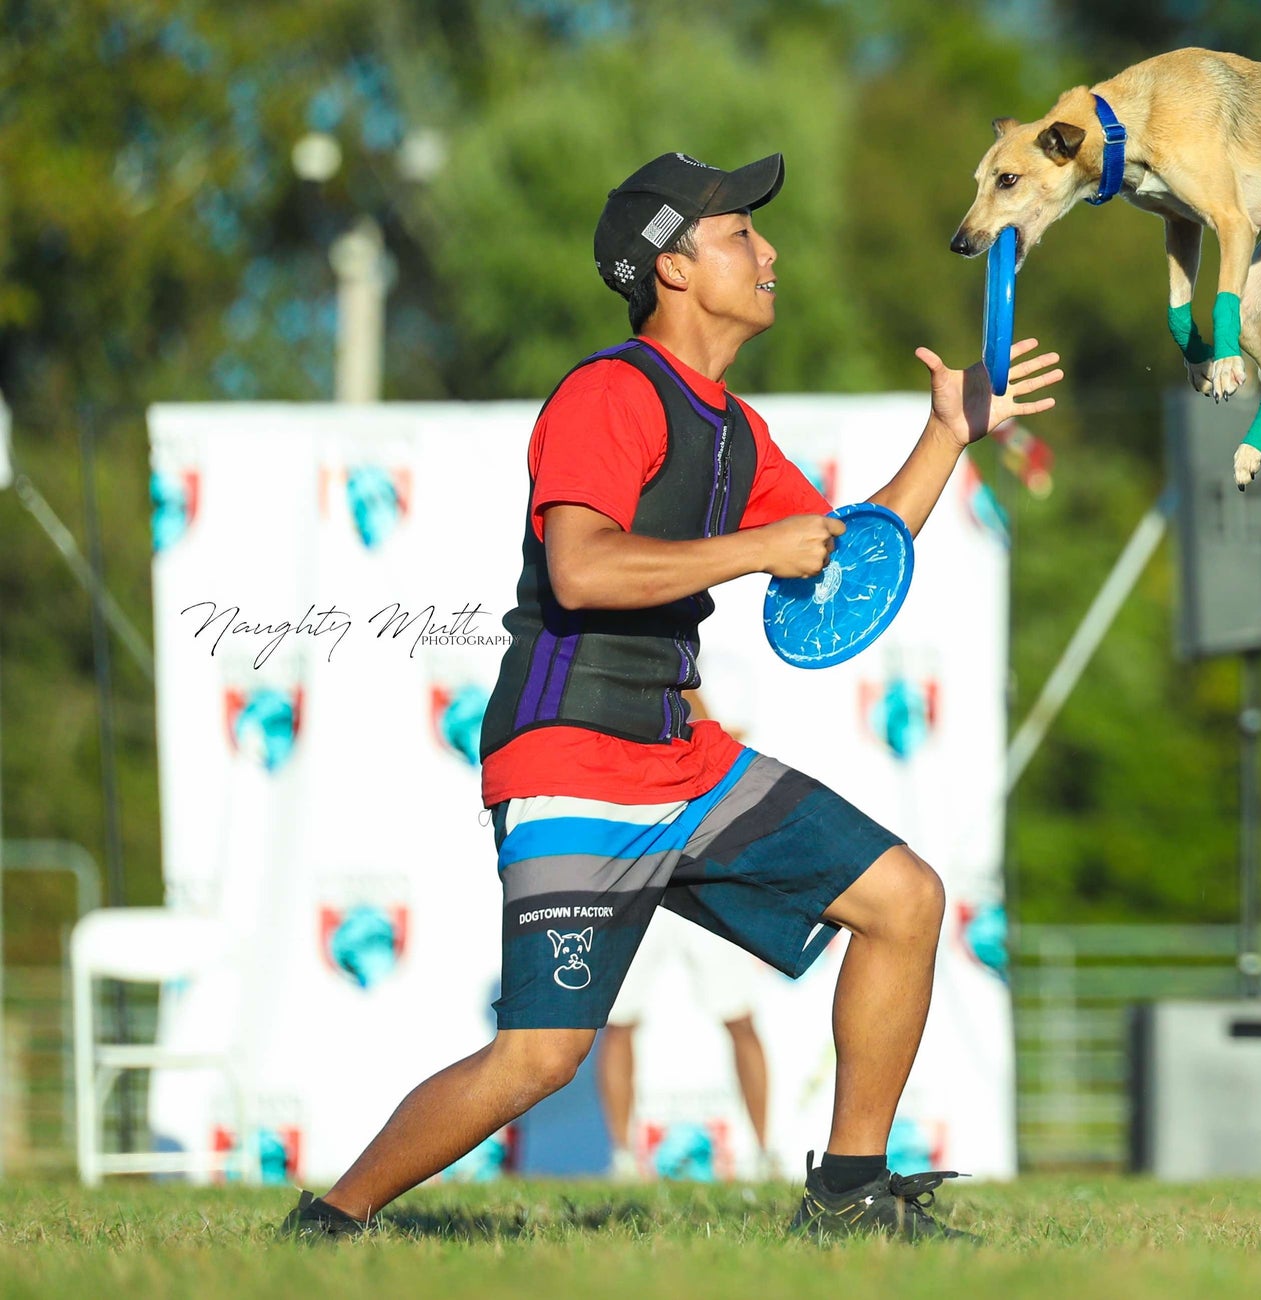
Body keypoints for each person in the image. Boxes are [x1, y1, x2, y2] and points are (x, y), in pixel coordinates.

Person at [280, 149, 1061, 1240]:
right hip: (572, 758)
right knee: (539, 1059)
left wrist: (949, 432)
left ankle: (846, 1196)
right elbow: (582, 569)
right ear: (674, 266)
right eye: (743, 232)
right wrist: (752, 549)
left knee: (906, 900)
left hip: (682, 755)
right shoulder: (609, 393)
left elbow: (841, 552)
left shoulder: (735, 429)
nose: (769, 249)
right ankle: (332, 1221)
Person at [598, 694, 773, 1182]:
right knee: (619, 1021)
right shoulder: (627, 679)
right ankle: (623, 1160)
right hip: (639, 868)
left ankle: (762, 1155)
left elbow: (722, 750)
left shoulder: (706, 672)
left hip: (705, 870)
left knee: (740, 1017)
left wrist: (687, 695)